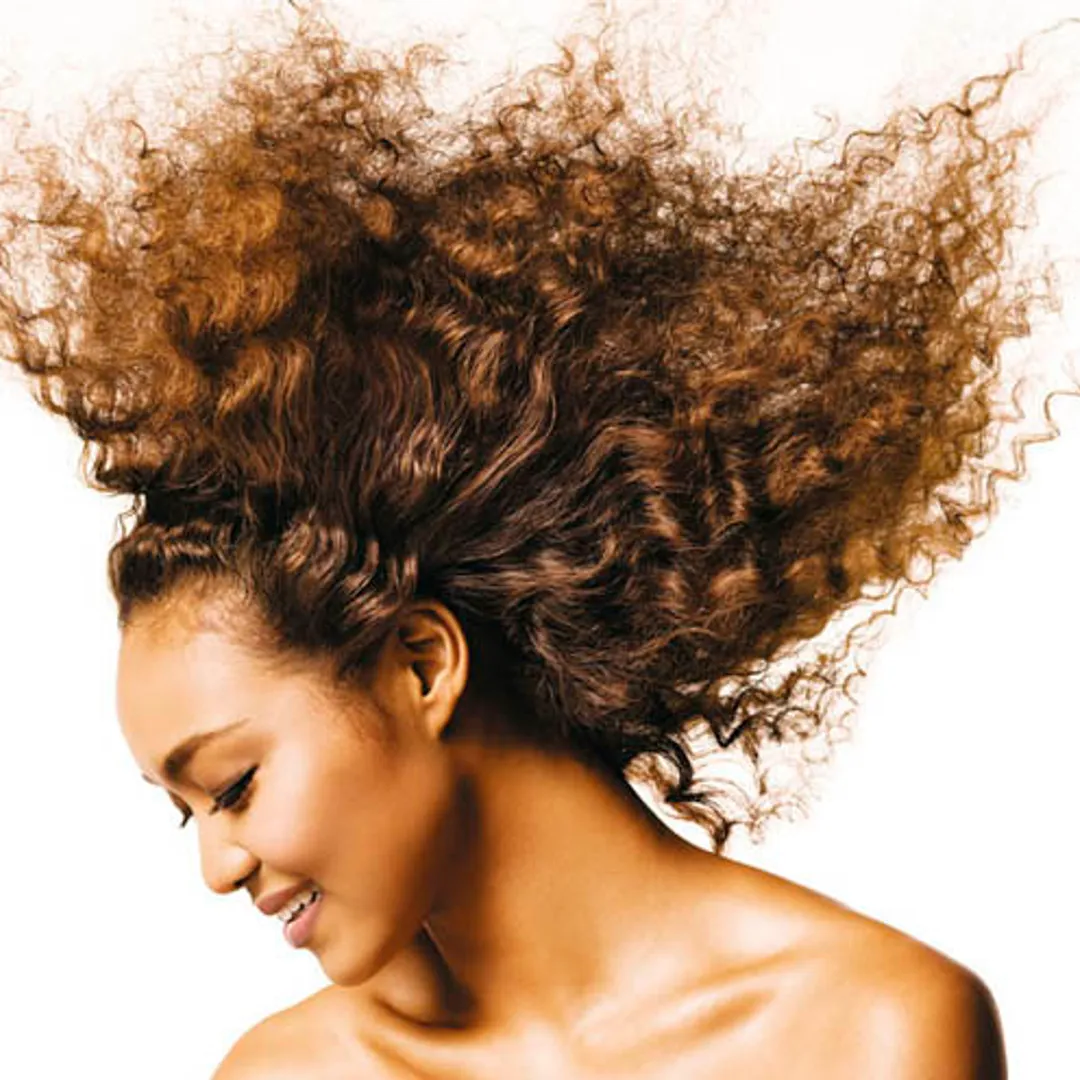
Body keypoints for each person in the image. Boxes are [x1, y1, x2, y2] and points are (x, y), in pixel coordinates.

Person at [2, 2, 1069, 1075]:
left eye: (233, 786)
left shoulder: (867, 1030)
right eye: (189, 813)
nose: (218, 868)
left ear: (422, 664)